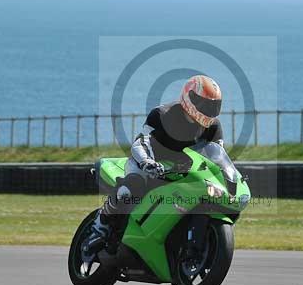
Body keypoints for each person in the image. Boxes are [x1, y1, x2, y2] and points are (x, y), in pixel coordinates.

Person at [89, 74, 224, 248]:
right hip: (149, 164)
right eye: (204, 104)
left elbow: (218, 157)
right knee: (131, 188)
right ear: (189, 96)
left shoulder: (213, 127)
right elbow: (141, 142)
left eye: (213, 105)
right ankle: (100, 225)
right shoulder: (163, 114)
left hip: (184, 172)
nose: (208, 109)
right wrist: (147, 162)